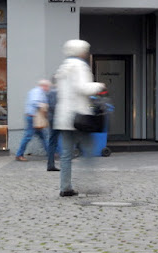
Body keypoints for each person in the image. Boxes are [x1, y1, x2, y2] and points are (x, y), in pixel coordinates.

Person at [53, 39, 105, 197]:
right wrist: (99, 86)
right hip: (79, 116)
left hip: (63, 117)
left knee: (66, 154)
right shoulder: (80, 66)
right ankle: (90, 182)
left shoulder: (63, 68)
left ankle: (65, 187)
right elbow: (82, 88)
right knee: (89, 148)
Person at [15, 79, 51, 161]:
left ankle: (50, 154)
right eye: (47, 86)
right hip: (33, 117)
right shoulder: (37, 92)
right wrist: (44, 106)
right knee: (28, 136)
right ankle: (19, 154)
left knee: (42, 136)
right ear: (44, 86)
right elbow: (35, 102)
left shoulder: (37, 92)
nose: (48, 88)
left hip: (34, 117)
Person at [47, 82, 60, 171]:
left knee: (52, 142)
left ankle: (50, 164)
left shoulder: (50, 92)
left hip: (52, 119)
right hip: (58, 119)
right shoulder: (57, 92)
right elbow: (53, 106)